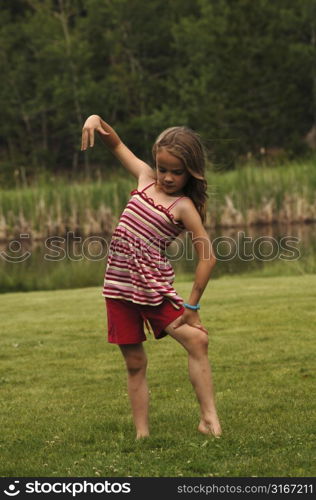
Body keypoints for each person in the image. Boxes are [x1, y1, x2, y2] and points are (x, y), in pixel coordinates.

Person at [81, 115, 222, 439]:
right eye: (163, 168)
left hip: (152, 290)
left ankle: (209, 419)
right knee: (134, 362)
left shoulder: (184, 206)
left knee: (198, 340)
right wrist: (96, 120)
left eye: (177, 171)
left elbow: (208, 257)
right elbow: (115, 143)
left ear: (191, 171)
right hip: (118, 289)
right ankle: (142, 435)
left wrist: (193, 306)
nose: (168, 177)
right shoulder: (144, 178)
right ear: (155, 164)